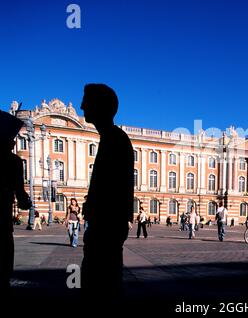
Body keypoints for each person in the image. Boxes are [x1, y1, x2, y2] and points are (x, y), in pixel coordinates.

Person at [80, 84, 134, 296]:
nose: (81, 105)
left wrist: (96, 211)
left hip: (106, 226)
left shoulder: (115, 140)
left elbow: (115, 187)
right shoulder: (111, 138)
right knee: (102, 281)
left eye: (87, 101)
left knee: (101, 284)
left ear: (99, 106)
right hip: (106, 225)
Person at [0, 110, 32, 292]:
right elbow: (21, 197)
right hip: (2, 220)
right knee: (4, 264)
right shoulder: (14, 162)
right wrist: (25, 202)